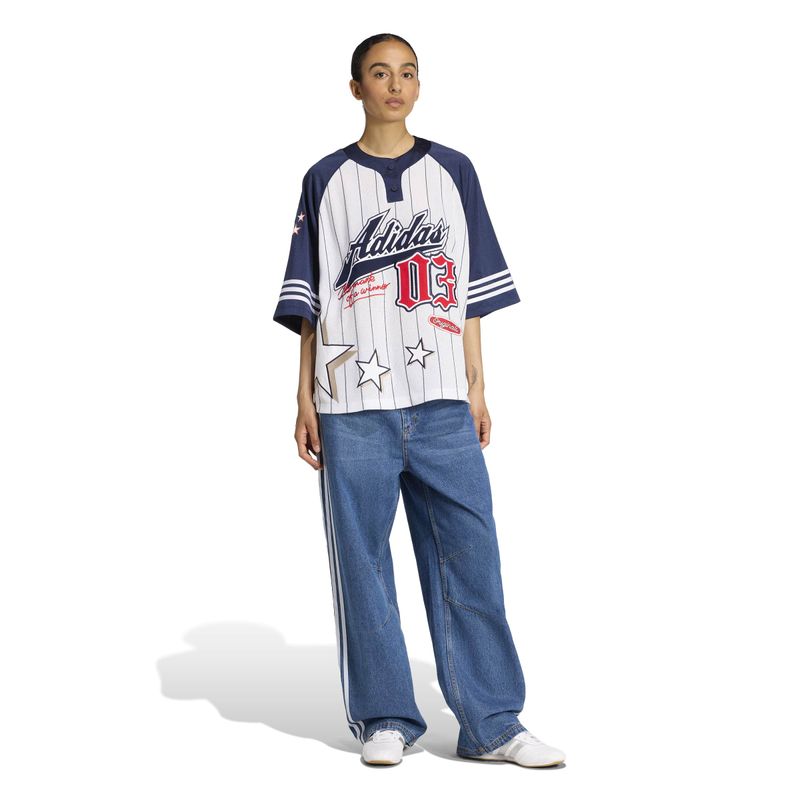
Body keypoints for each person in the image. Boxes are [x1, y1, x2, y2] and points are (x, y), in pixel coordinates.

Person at [273, 32, 566, 769]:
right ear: (356, 88)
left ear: (418, 84)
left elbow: (468, 291)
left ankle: (492, 723)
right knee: (363, 563)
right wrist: (303, 396)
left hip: (441, 399)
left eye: (407, 72)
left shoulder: (454, 171)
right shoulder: (324, 178)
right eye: (380, 73)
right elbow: (310, 302)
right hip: (351, 402)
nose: (395, 85)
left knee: (471, 557)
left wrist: (477, 384)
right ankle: (385, 718)